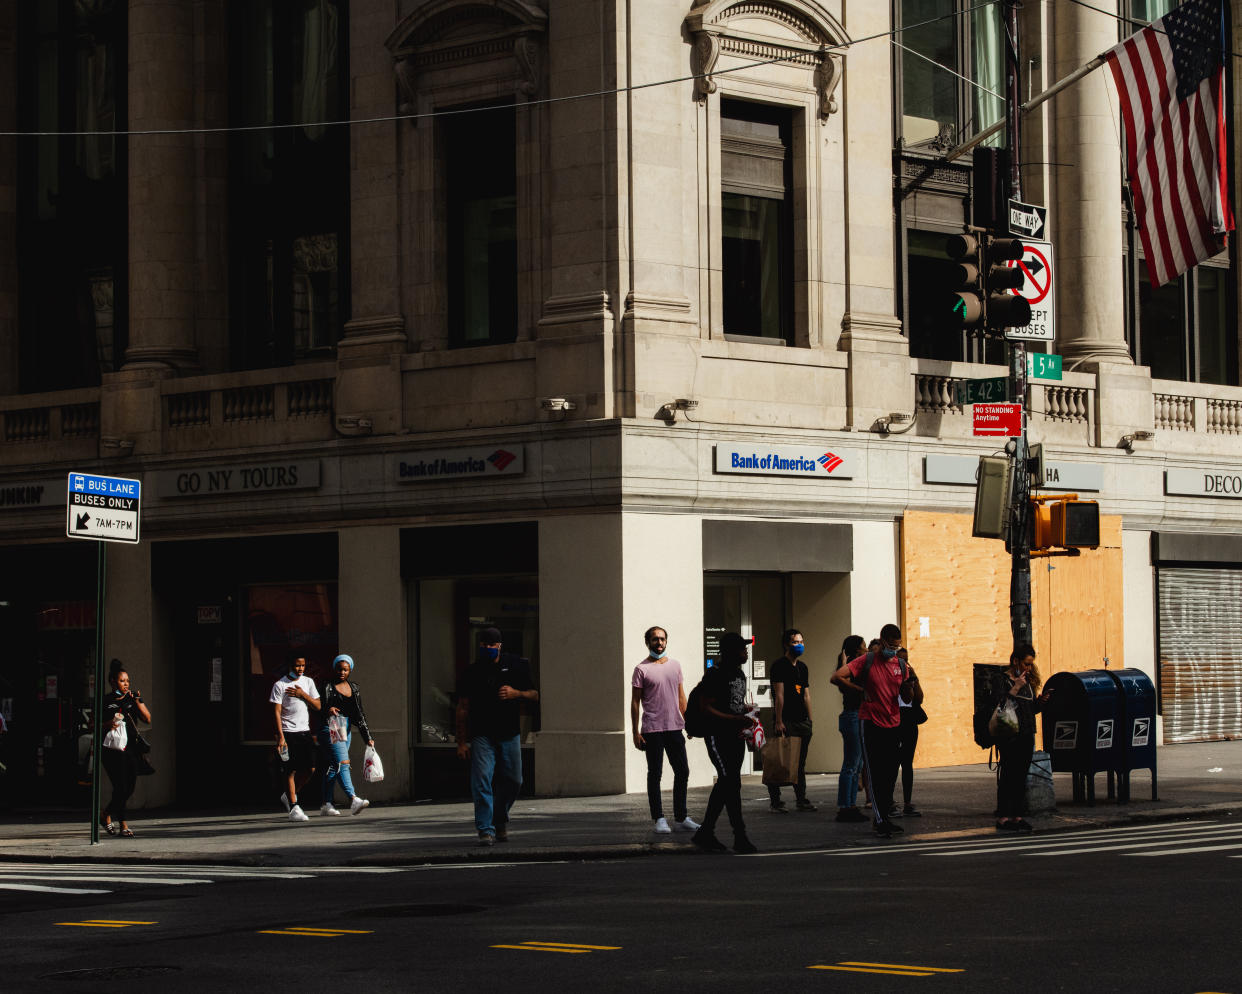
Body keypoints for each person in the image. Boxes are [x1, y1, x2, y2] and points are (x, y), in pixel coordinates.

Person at [832, 623, 922, 838]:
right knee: (874, 773)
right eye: (890, 645)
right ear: (881, 641)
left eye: (897, 646)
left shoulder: (901, 665)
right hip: (870, 722)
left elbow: (908, 698)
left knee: (890, 774)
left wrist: (909, 686)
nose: (893, 649)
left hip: (893, 723)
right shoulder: (868, 660)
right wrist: (860, 691)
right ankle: (880, 820)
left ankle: (884, 817)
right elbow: (837, 677)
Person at [456, 627, 539, 846]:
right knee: (482, 779)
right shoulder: (472, 672)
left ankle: (499, 818)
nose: (487, 649)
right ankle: (486, 829)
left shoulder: (514, 666)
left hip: (509, 733)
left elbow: (534, 695)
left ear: (499, 646)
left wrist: (516, 693)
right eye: (484, 646)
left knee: (514, 781)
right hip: (482, 735)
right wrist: (462, 742)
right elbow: (463, 707)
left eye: (491, 646)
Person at [692, 632, 759, 855]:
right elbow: (705, 706)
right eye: (742, 648)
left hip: (735, 736)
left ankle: (708, 832)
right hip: (717, 735)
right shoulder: (715, 674)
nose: (746, 651)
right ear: (731, 651)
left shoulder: (740, 674)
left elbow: (734, 703)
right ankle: (737, 835)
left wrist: (745, 712)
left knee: (731, 783)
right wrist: (733, 719)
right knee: (728, 781)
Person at [631, 626, 699, 834]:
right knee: (655, 774)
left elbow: (681, 697)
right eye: (655, 640)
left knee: (683, 771)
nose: (659, 643)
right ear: (648, 643)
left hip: (674, 727)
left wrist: (689, 723)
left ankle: (681, 817)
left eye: (662, 639)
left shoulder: (675, 666)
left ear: (666, 642)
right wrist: (636, 732)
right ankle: (659, 818)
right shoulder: (641, 669)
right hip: (652, 729)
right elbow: (635, 702)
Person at [995, 643, 1051, 833]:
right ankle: (1003, 816)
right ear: (1015, 661)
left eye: (1030, 664)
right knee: (1008, 775)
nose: (1028, 668)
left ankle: (1017, 816)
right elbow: (1000, 704)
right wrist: (1015, 687)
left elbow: (1030, 709)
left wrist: (1040, 703)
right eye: (1026, 664)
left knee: (1021, 776)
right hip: (1010, 734)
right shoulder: (1003, 679)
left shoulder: (1028, 681)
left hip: (1027, 733)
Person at [767, 628, 815, 813]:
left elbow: (806, 695)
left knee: (800, 763)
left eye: (801, 641)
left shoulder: (803, 667)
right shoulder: (779, 665)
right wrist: (779, 721)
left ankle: (801, 799)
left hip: (802, 721)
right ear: (786, 644)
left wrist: (810, 720)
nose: (800, 645)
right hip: (787, 720)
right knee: (780, 760)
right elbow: (779, 695)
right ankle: (776, 801)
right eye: (796, 642)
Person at [99, 666, 152, 838]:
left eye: (128, 681)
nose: (126, 684)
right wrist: (107, 724)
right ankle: (123, 823)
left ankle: (105, 814)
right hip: (111, 749)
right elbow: (93, 725)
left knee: (129, 788)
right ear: (113, 681)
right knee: (120, 787)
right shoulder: (106, 700)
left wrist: (138, 700)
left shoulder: (131, 698)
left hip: (130, 749)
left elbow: (147, 718)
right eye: (122, 681)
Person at [318, 653, 373, 816]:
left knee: (334, 766)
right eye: (339, 669)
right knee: (343, 762)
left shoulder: (354, 688)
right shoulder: (326, 685)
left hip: (345, 726)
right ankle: (353, 799)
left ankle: (326, 804)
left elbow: (360, 714)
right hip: (332, 725)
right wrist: (327, 709)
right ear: (334, 669)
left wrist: (368, 737)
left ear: (350, 671)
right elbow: (317, 707)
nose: (342, 672)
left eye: (345, 670)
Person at [271, 653, 321, 823]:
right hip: (288, 732)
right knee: (290, 770)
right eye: (297, 666)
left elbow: (317, 706)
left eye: (303, 666)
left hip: (304, 731)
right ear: (289, 665)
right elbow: (276, 712)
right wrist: (280, 736)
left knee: (310, 768)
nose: (300, 669)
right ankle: (294, 806)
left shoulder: (308, 682)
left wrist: (302, 694)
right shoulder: (280, 685)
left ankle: (289, 795)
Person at [833, 634, 868, 823]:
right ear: (856, 649)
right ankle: (845, 806)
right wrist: (860, 690)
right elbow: (835, 678)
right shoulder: (854, 665)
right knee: (851, 764)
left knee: (856, 765)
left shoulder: (849, 664)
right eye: (863, 645)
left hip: (855, 716)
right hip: (853, 716)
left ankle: (850, 804)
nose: (866, 648)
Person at [894, 647, 922, 819]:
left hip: (909, 720)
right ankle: (888, 801)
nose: (904, 663)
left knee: (907, 763)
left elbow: (918, 698)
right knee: (891, 763)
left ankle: (907, 802)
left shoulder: (910, 677)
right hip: (895, 718)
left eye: (906, 659)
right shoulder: (892, 676)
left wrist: (915, 679)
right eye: (901, 659)